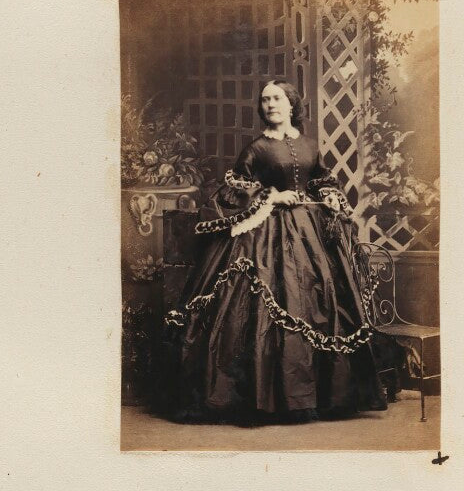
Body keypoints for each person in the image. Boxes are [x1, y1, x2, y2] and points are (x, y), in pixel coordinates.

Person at [157, 80, 387, 424]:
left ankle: (320, 394)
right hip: (266, 236)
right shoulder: (257, 148)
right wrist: (273, 196)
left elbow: (321, 179)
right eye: (265, 100)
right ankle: (268, 396)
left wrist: (327, 195)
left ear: (291, 104)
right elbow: (233, 188)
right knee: (263, 301)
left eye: (277, 98)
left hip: (310, 234)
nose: (270, 104)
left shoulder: (309, 145)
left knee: (319, 296)